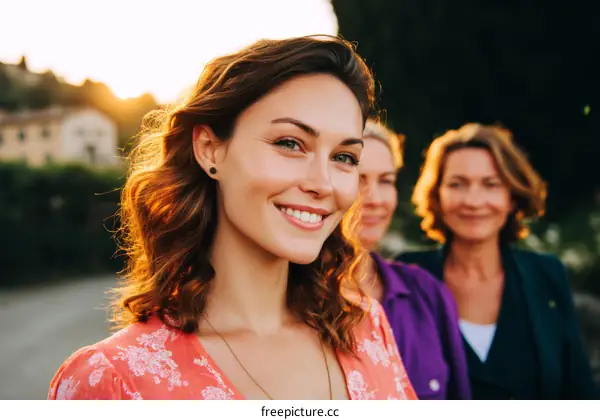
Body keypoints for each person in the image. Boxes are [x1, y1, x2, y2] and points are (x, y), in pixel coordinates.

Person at [47, 35, 417, 400]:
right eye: (289, 143)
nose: (323, 184)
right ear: (210, 149)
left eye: (344, 157)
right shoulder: (112, 381)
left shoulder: (367, 328)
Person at [396, 123, 599, 399]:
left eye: (490, 184)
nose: (473, 200)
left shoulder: (547, 275)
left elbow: (580, 393)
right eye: (457, 184)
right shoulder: (407, 275)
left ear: (512, 197)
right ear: (437, 195)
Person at [356, 118, 471, 399]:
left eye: (386, 181)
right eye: (358, 178)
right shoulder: (293, 297)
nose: (376, 198)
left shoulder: (427, 293)